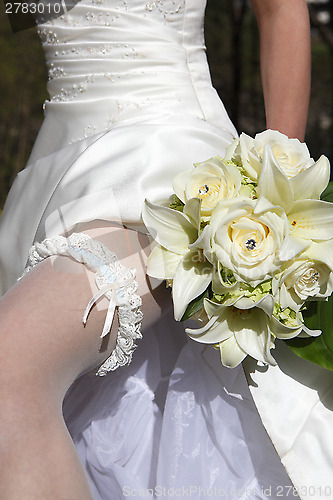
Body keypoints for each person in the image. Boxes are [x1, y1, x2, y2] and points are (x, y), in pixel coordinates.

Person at [0, 0, 324, 499]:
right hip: (56, 177)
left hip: (164, 171)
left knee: (10, 369)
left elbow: (280, 9)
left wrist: (276, 187)